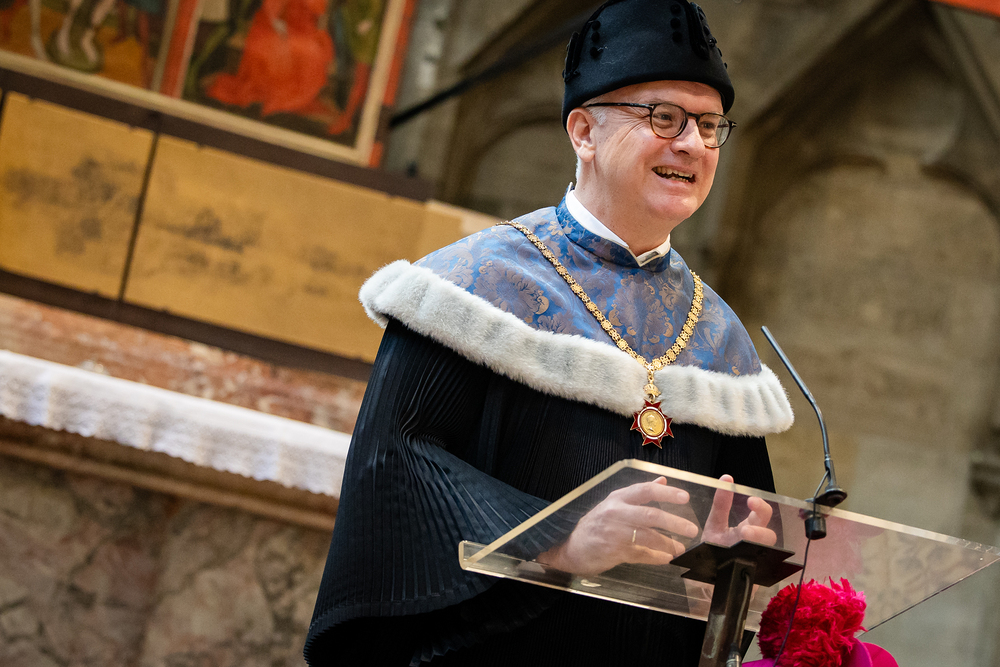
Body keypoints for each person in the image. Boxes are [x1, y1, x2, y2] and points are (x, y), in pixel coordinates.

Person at [305, 1, 794, 664]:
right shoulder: (474, 285)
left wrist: (731, 557)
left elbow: (737, 550)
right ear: (584, 131)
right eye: (664, 117)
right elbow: (396, 469)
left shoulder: (718, 333)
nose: (692, 145)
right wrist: (561, 541)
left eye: (709, 126)